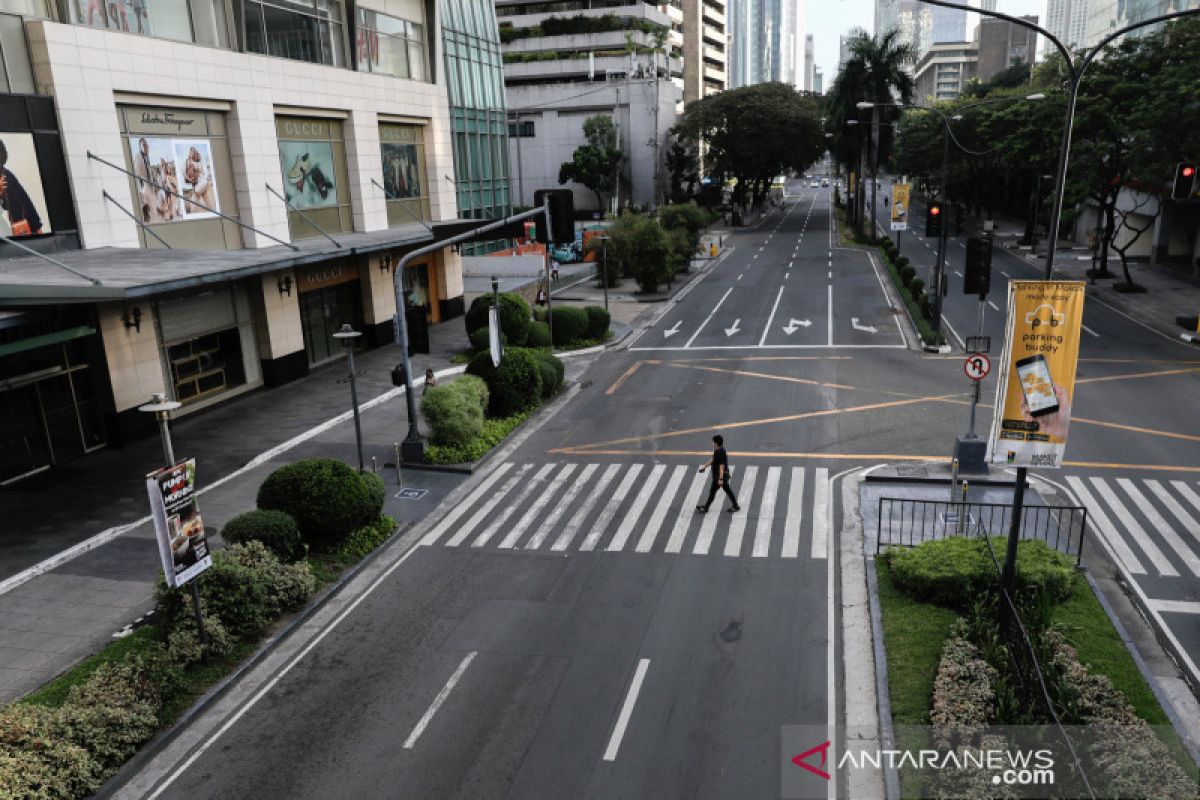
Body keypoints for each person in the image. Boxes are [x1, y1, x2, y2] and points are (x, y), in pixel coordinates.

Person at [0, 139, 45, 236]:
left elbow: (23, 200)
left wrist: (36, 226)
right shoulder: (6, 175)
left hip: (14, 231)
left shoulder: (5, 176)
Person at [696, 434, 740, 513]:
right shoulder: (718, 450)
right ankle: (735, 506)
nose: (712, 443)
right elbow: (713, 459)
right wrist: (704, 466)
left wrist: (720, 479)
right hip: (719, 476)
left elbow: (721, 466)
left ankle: (706, 508)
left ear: (716, 443)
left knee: (713, 492)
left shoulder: (720, 452)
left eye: (713, 442)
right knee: (726, 490)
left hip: (720, 477)